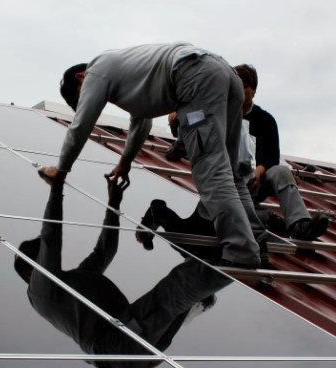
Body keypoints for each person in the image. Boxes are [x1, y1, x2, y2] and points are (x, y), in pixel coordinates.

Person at [38, 42, 267, 268]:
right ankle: (256, 239)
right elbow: (142, 122)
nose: (93, 100)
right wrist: (125, 162)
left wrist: (61, 170)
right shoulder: (129, 74)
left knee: (211, 170)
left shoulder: (97, 70)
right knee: (230, 173)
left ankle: (241, 251)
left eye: (82, 96)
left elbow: (81, 125)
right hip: (225, 75)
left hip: (196, 75)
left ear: (80, 77)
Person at [15, 174, 232, 368]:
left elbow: (105, 248)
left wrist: (114, 203)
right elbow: (50, 239)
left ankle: (214, 280)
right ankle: (236, 260)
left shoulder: (76, 280)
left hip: (130, 342)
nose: (46, 256)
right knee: (175, 289)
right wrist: (56, 189)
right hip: (116, 342)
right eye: (39, 255)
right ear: (28, 271)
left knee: (185, 290)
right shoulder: (38, 291)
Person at [234, 64, 329, 241]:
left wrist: (259, 171)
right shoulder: (224, 115)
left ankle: (300, 224)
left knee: (282, 172)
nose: (238, 92)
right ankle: (270, 219)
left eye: (243, 87)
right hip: (230, 185)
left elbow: (272, 156)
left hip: (257, 181)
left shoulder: (265, 120)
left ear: (253, 90)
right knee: (234, 211)